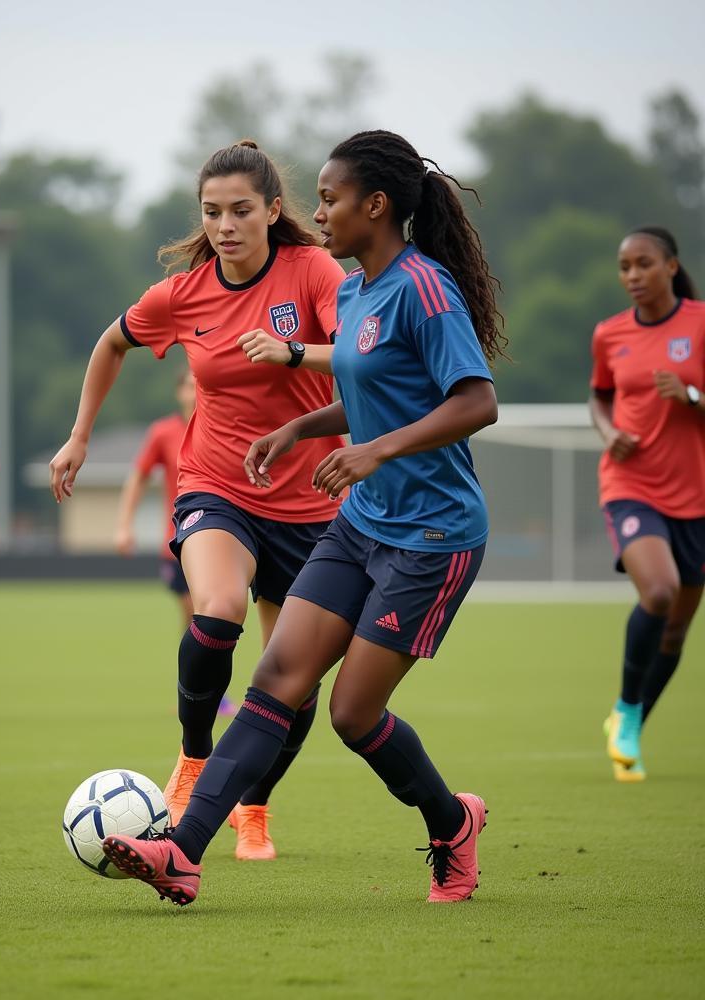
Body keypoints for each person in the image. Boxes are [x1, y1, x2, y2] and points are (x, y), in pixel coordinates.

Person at [101, 129, 506, 905]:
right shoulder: (354, 292)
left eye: (329, 199)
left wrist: (374, 452)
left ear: (376, 206)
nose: (318, 214)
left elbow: (476, 402)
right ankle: (180, 854)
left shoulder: (424, 288)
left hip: (433, 534)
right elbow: (365, 395)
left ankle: (452, 822)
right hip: (363, 522)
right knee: (275, 680)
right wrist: (297, 429)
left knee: (355, 715)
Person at [50, 140, 347, 860]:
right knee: (218, 607)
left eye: (241, 210)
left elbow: (362, 355)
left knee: (294, 678)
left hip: (310, 503)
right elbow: (111, 343)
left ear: (274, 211)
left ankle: (255, 807)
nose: (225, 225)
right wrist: (80, 434)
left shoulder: (312, 271)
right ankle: (190, 758)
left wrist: (295, 353)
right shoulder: (183, 294)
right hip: (216, 483)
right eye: (212, 212)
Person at [591, 227, 704, 783]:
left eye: (643, 264)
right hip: (630, 485)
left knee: (677, 629)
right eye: (624, 266)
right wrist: (608, 430)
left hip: (696, 496)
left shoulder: (700, 326)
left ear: (670, 267)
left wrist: (691, 397)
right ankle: (629, 712)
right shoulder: (610, 334)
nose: (632, 275)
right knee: (658, 592)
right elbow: (600, 395)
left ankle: (629, 717)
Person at [115, 368, 197, 627]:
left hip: (219, 534)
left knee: (213, 615)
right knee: (195, 614)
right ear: (179, 392)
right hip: (177, 539)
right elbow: (138, 477)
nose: (195, 393)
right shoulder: (163, 433)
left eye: (200, 386)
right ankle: (197, 665)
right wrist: (124, 526)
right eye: (189, 386)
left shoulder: (222, 429)